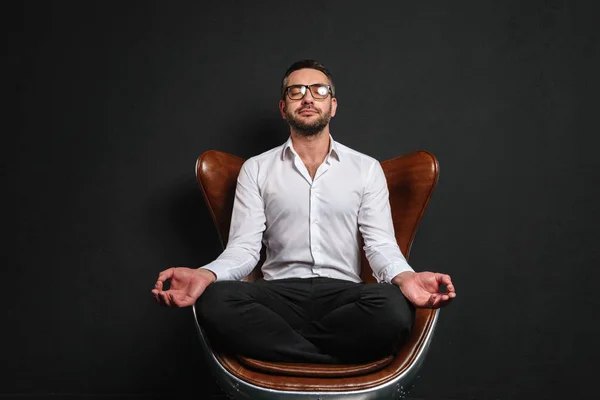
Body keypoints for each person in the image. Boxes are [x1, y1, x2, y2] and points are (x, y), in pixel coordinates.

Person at [151, 59, 456, 364]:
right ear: (284, 108)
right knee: (216, 301)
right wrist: (205, 274)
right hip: (276, 296)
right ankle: (333, 357)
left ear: (332, 105)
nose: (308, 97)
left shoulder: (366, 169)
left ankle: (287, 350)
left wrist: (406, 277)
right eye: (296, 91)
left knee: (393, 307)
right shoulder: (256, 169)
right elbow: (243, 249)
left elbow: (380, 245)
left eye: (318, 90)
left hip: (343, 297)